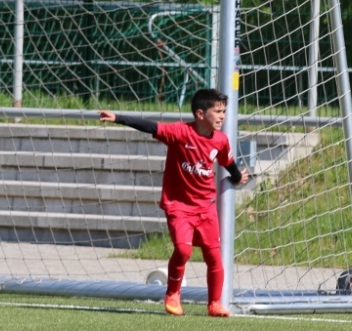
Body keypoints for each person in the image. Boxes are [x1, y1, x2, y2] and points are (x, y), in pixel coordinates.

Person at [98, 88, 248, 318]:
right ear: (200, 114)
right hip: (179, 206)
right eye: (217, 111)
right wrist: (118, 118)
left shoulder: (220, 140)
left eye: (224, 112)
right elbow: (150, 126)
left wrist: (237, 178)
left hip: (206, 208)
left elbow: (228, 162)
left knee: (213, 257)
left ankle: (214, 304)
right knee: (183, 249)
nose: (222, 117)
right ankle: (173, 294)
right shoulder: (180, 132)